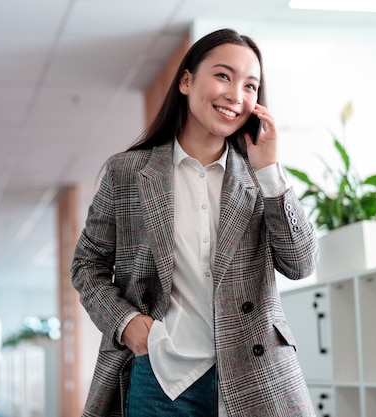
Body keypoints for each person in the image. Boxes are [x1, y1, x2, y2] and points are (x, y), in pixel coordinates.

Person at [71, 28, 319, 417]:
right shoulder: (129, 172)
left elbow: (300, 263)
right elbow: (87, 264)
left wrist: (270, 170)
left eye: (250, 86)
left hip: (254, 372)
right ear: (187, 81)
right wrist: (128, 323)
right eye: (223, 76)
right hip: (160, 376)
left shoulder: (261, 178)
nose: (236, 95)